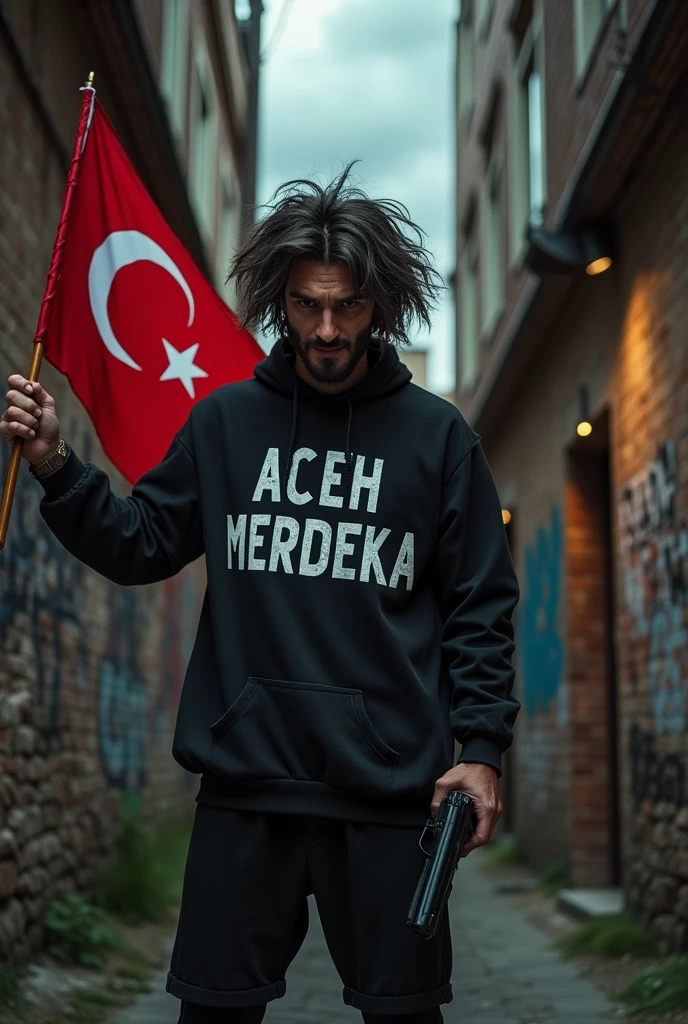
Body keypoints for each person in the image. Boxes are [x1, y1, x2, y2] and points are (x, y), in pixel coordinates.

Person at [1, 166, 520, 1024]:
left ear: (379, 305)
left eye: (347, 306)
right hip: (245, 789)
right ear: (282, 300)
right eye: (308, 305)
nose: (325, 329)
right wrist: (58, 465)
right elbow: (142, 545)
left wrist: (483, 749)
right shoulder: (224, 424)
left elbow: (480, 608)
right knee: (212, 1015)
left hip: (392, 797)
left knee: (404, 1017)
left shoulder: (438, 439)